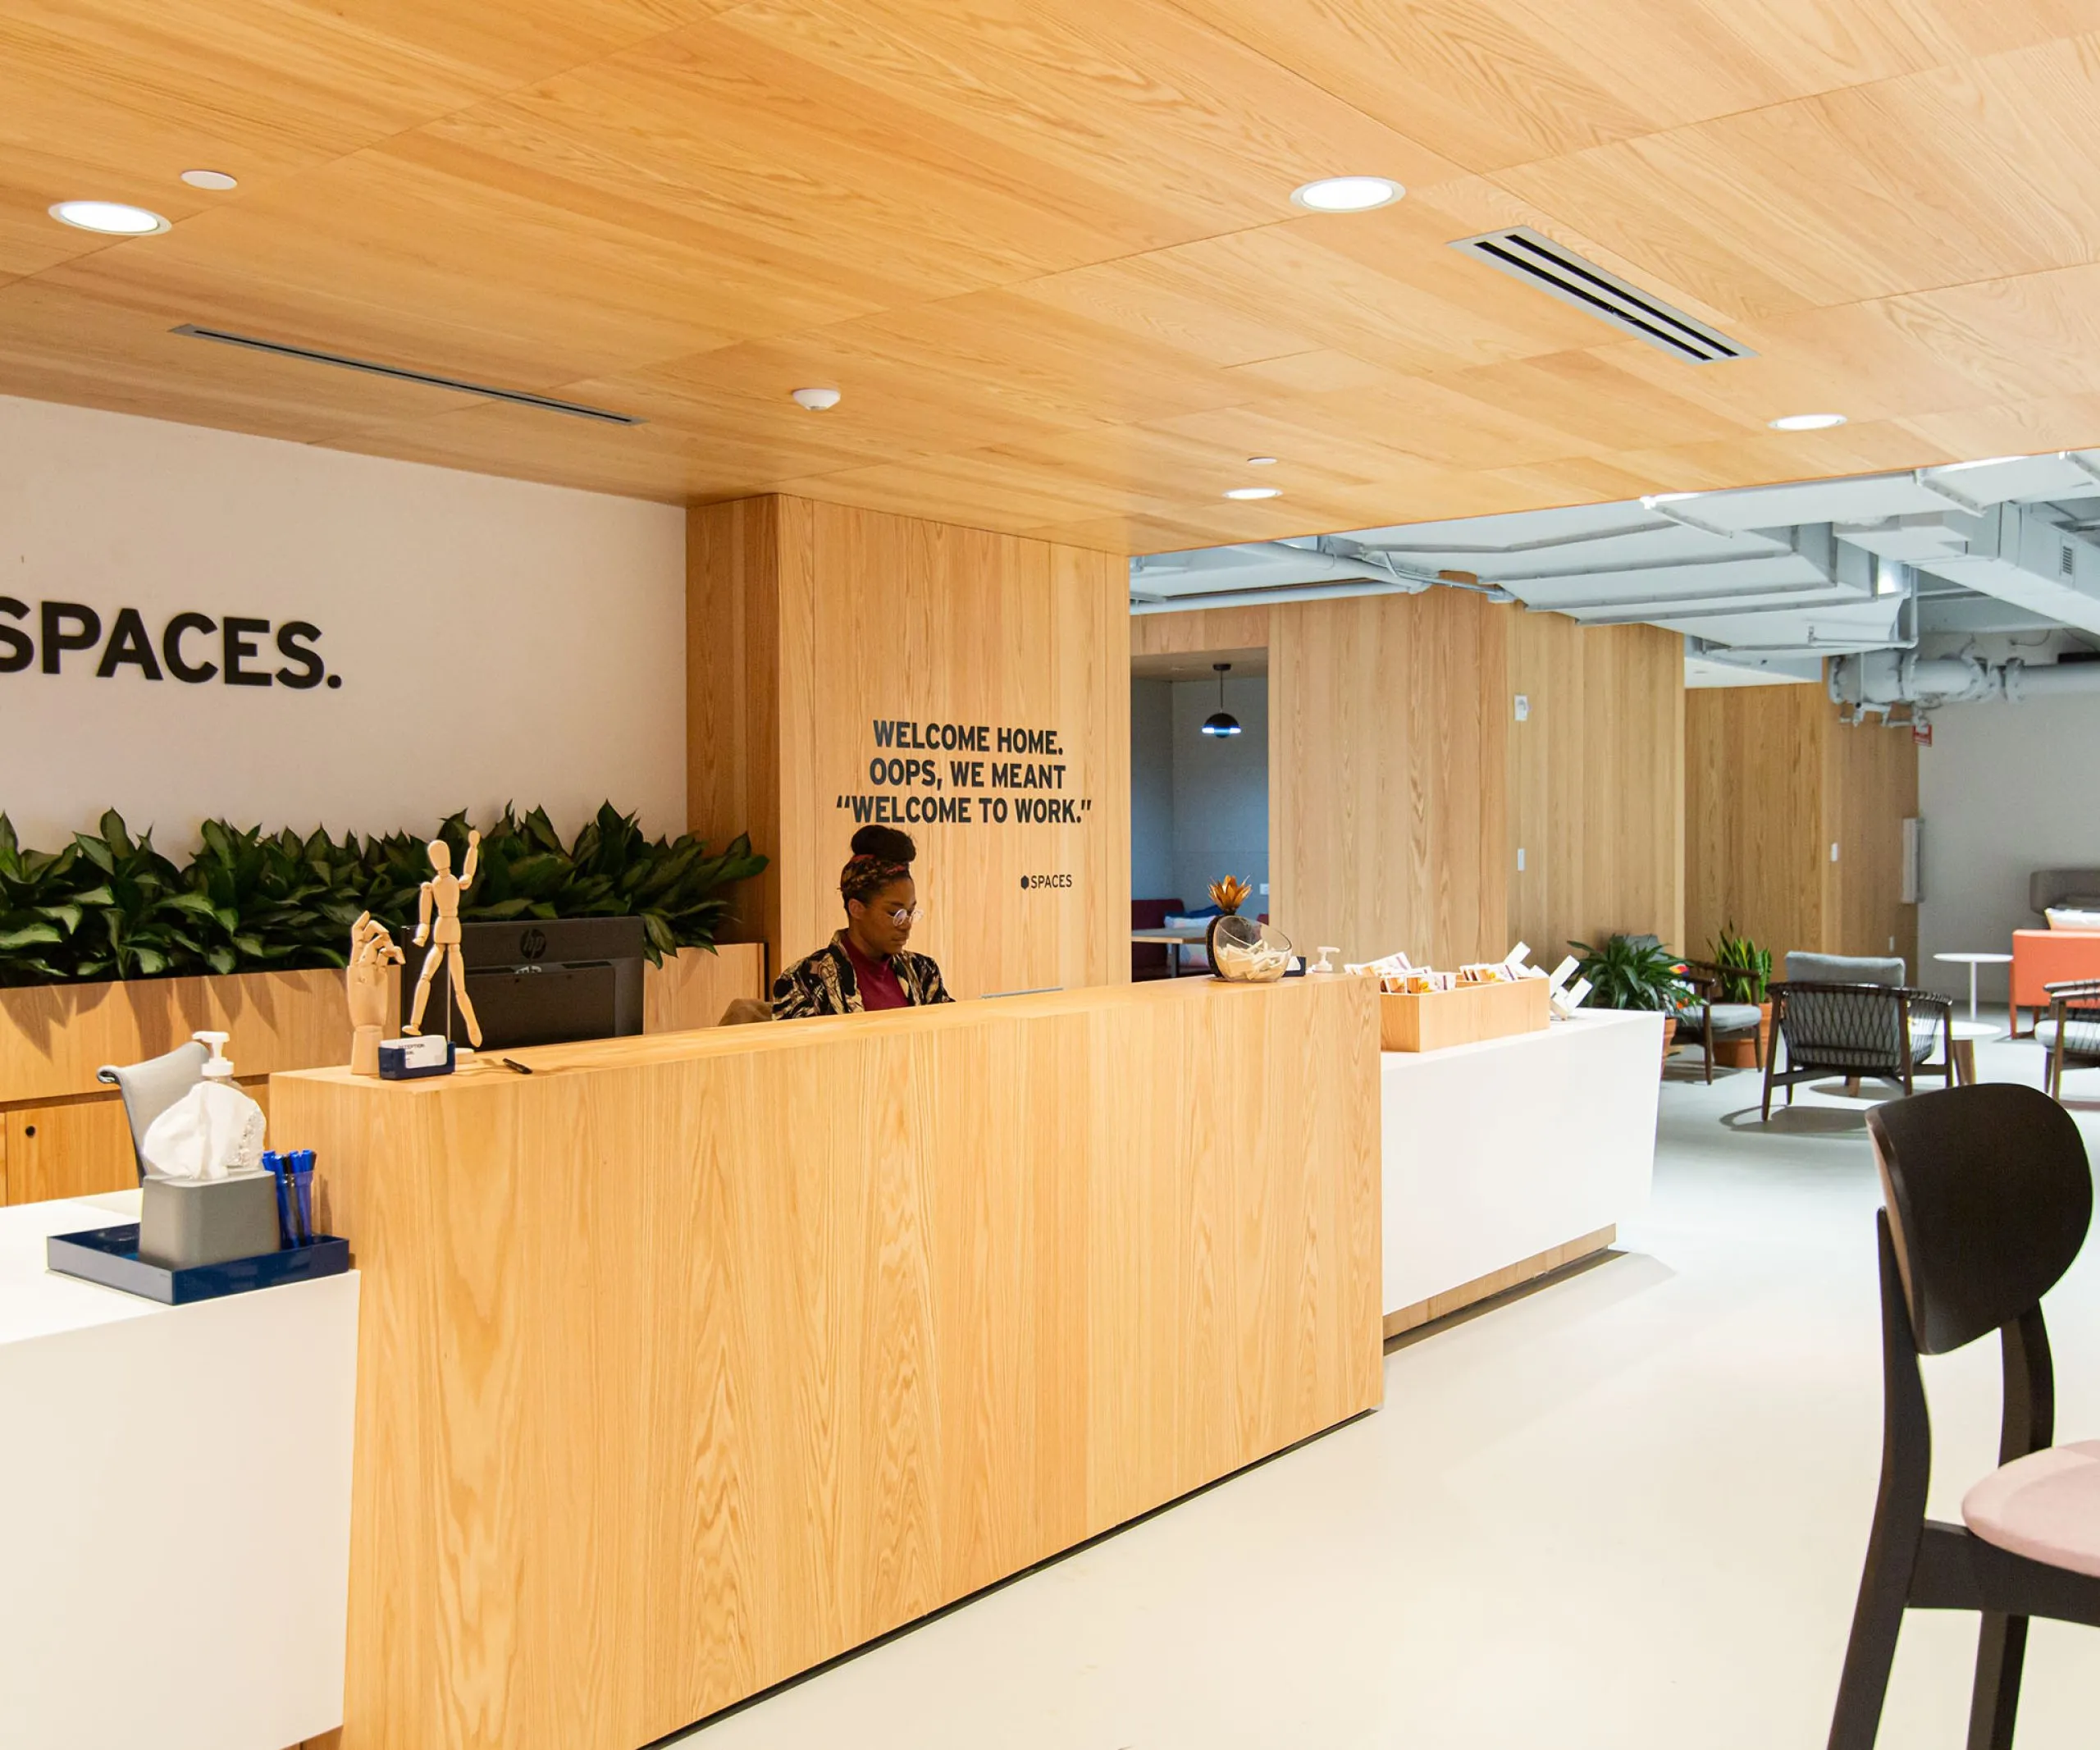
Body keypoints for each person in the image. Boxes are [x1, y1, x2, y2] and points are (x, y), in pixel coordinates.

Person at [772, 825, 952, 1018]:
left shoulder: (923, 972)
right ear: (856, 908)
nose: (907, 924)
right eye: (896, 913)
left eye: (910, 912)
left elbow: (950, 1038)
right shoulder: (803, 981)